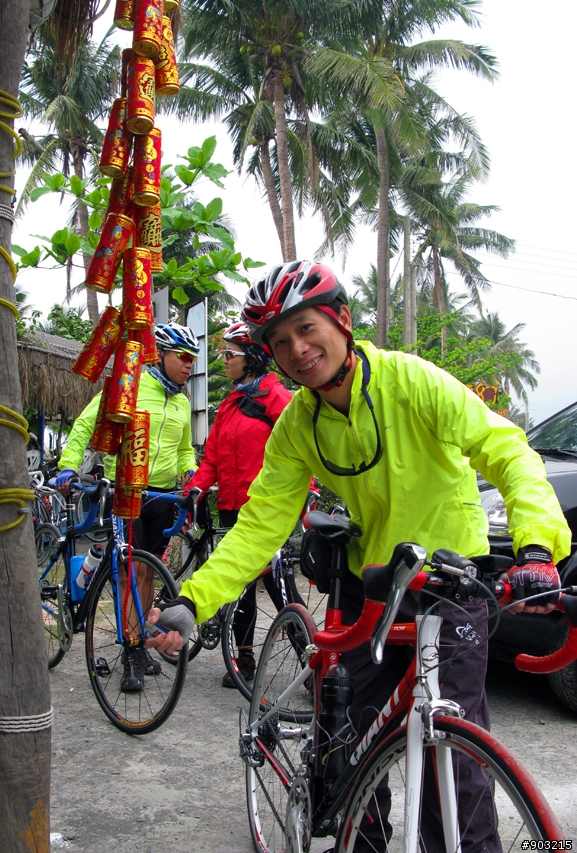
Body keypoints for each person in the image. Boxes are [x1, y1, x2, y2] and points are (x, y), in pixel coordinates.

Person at [148, 261, 571, 849]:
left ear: (341, 321)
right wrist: (194, 598)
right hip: (372, 585)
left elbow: (508, 452)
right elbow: (260, 525)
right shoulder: (297, 425)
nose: (297, 349)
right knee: (345, 747)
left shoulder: (412, 380)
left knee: (455, 765)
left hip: (450, 581)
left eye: (306, 328)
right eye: (280, 341)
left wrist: (535, 547)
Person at [55, 321, 199, 692]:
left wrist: (191, 474)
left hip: (164, 496)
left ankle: (139, 640)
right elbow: (87, 423)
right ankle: (131, 652)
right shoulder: (131, 384)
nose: (189, 365)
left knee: (148, 573)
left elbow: (184, 449)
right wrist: (68, 464)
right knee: (132, 572)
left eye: (193, 359)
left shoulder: (182, 401)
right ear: (162, 354)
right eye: (182, 357)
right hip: (130, 491)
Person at [188, 321, 296, 687]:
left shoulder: (277, 399)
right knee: (241, 588)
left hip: (268, 512)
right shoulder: (230, 405)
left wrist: (307, 495)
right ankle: (244, 658)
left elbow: (302, 449)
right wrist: (196, 489)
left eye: (229, 354)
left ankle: (312, 660)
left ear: (251, 358)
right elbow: (212, 460)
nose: (223, 361)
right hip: (234, 508)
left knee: (282, 589)